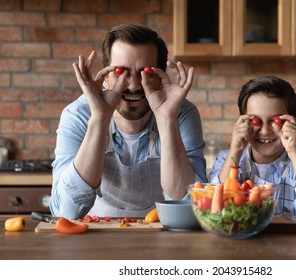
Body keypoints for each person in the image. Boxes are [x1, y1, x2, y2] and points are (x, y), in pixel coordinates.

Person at [50, 24, 207, 219]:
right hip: (94, 234)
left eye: (146, 73)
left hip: (162, 232)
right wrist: (100, 119)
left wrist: (166, 118)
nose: (133, 85)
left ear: (160, 78)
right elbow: (65, 211)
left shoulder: (181, 114)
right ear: (105, 77)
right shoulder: (78, 114)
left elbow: (191, 209)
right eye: (120, 71)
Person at [209, 76, 296, 215]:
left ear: (294, 122)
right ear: (242, 122)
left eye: (276, 121)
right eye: (256, 121)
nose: (265, 131)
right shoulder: (227, 158)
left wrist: (294, 152)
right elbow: (213, 210)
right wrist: (235, 151)